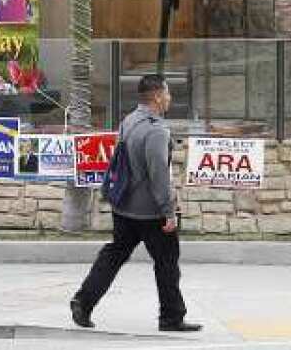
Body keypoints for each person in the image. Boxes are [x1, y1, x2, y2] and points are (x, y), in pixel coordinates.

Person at [70, 75, 201, 333]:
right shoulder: (155, 130)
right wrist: (169, 212)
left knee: (114, 254)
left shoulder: (129, 120)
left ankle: (83, 301)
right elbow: (159, 176)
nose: (170, 98)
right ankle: (172, 317)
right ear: (156, 96)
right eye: (167, 93)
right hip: (151, 212)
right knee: (167, 262)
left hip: (124, 207)